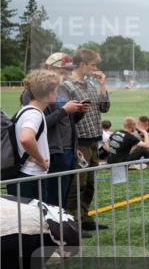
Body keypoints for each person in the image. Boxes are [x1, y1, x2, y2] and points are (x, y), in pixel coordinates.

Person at [18, 54, 89, 206]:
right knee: (51, 200)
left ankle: (60, 227)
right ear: (50, 68)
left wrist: (78, 112)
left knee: (62, 197)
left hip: (67, 150)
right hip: (52, 152)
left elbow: (67, 122)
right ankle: (53, 228)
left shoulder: (63, 89)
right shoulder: (32, 92)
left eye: (69, 70)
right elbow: (40, 124)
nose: (67, 73)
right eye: (63, 70)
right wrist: (64, 110)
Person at [61, 48, 111, 230]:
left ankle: (85, 217)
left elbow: (104, 108)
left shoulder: (90, 85)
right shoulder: (66, 86)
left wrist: (102, 85)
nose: (95, 68)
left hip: (93, 139)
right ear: (82, 64)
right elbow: (64, 116)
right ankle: (73, 222)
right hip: (79, 141)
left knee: (90, 183)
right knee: (77, 184)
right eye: (93, 64)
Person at [14, 70, 63, 203]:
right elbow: (26, 138)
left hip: (25, 174)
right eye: (56, 90)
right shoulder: (34, 114)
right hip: (30, 176)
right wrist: (41, 160)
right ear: (48, 93)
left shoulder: (26, 110)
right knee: (33, 219)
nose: (57, 94)